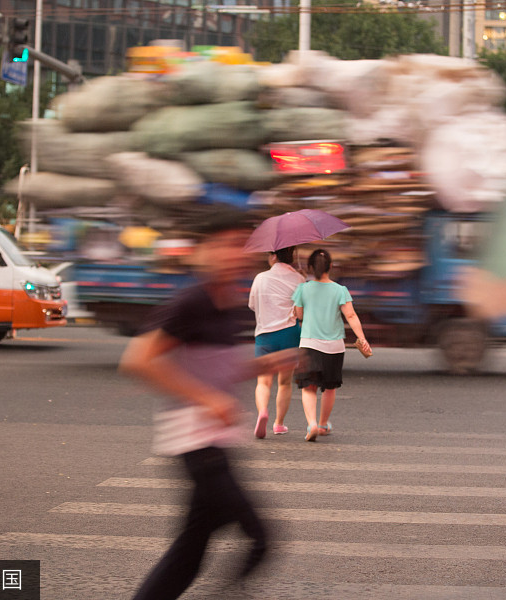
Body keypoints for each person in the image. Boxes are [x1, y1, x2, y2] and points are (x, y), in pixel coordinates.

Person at [119, 208, 299, 600]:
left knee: (190, 551)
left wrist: (267, 363)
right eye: (224, 245)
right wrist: (207, 399)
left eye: (239, 245)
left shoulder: (228, 304)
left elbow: (219, 369)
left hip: (214, 441)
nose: (233, 254)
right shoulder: (192, 301)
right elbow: (137, 360)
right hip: (194, 442)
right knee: (260, 538)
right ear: (202, 251)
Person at [291, 248, 371, 442]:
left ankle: (311, 424)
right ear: (331, 267)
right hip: (334, 347)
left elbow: (299, 315)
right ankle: (323, 424)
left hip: (309, 343)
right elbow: (350, 315)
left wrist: (302, 290)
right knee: (329, 388)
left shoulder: (303, 288)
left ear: (310, 268)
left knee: (308, 387)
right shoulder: (340, 290)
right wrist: (362, 338)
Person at [248, 246, 305, 438]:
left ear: (273, 257)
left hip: (264, 335)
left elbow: (252, 305)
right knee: (284, 382)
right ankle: (279, 424)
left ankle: (263, 411)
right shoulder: (299, 279)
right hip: (289, 334)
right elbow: (301, 310)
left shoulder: (260, 278)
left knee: (263, 382)